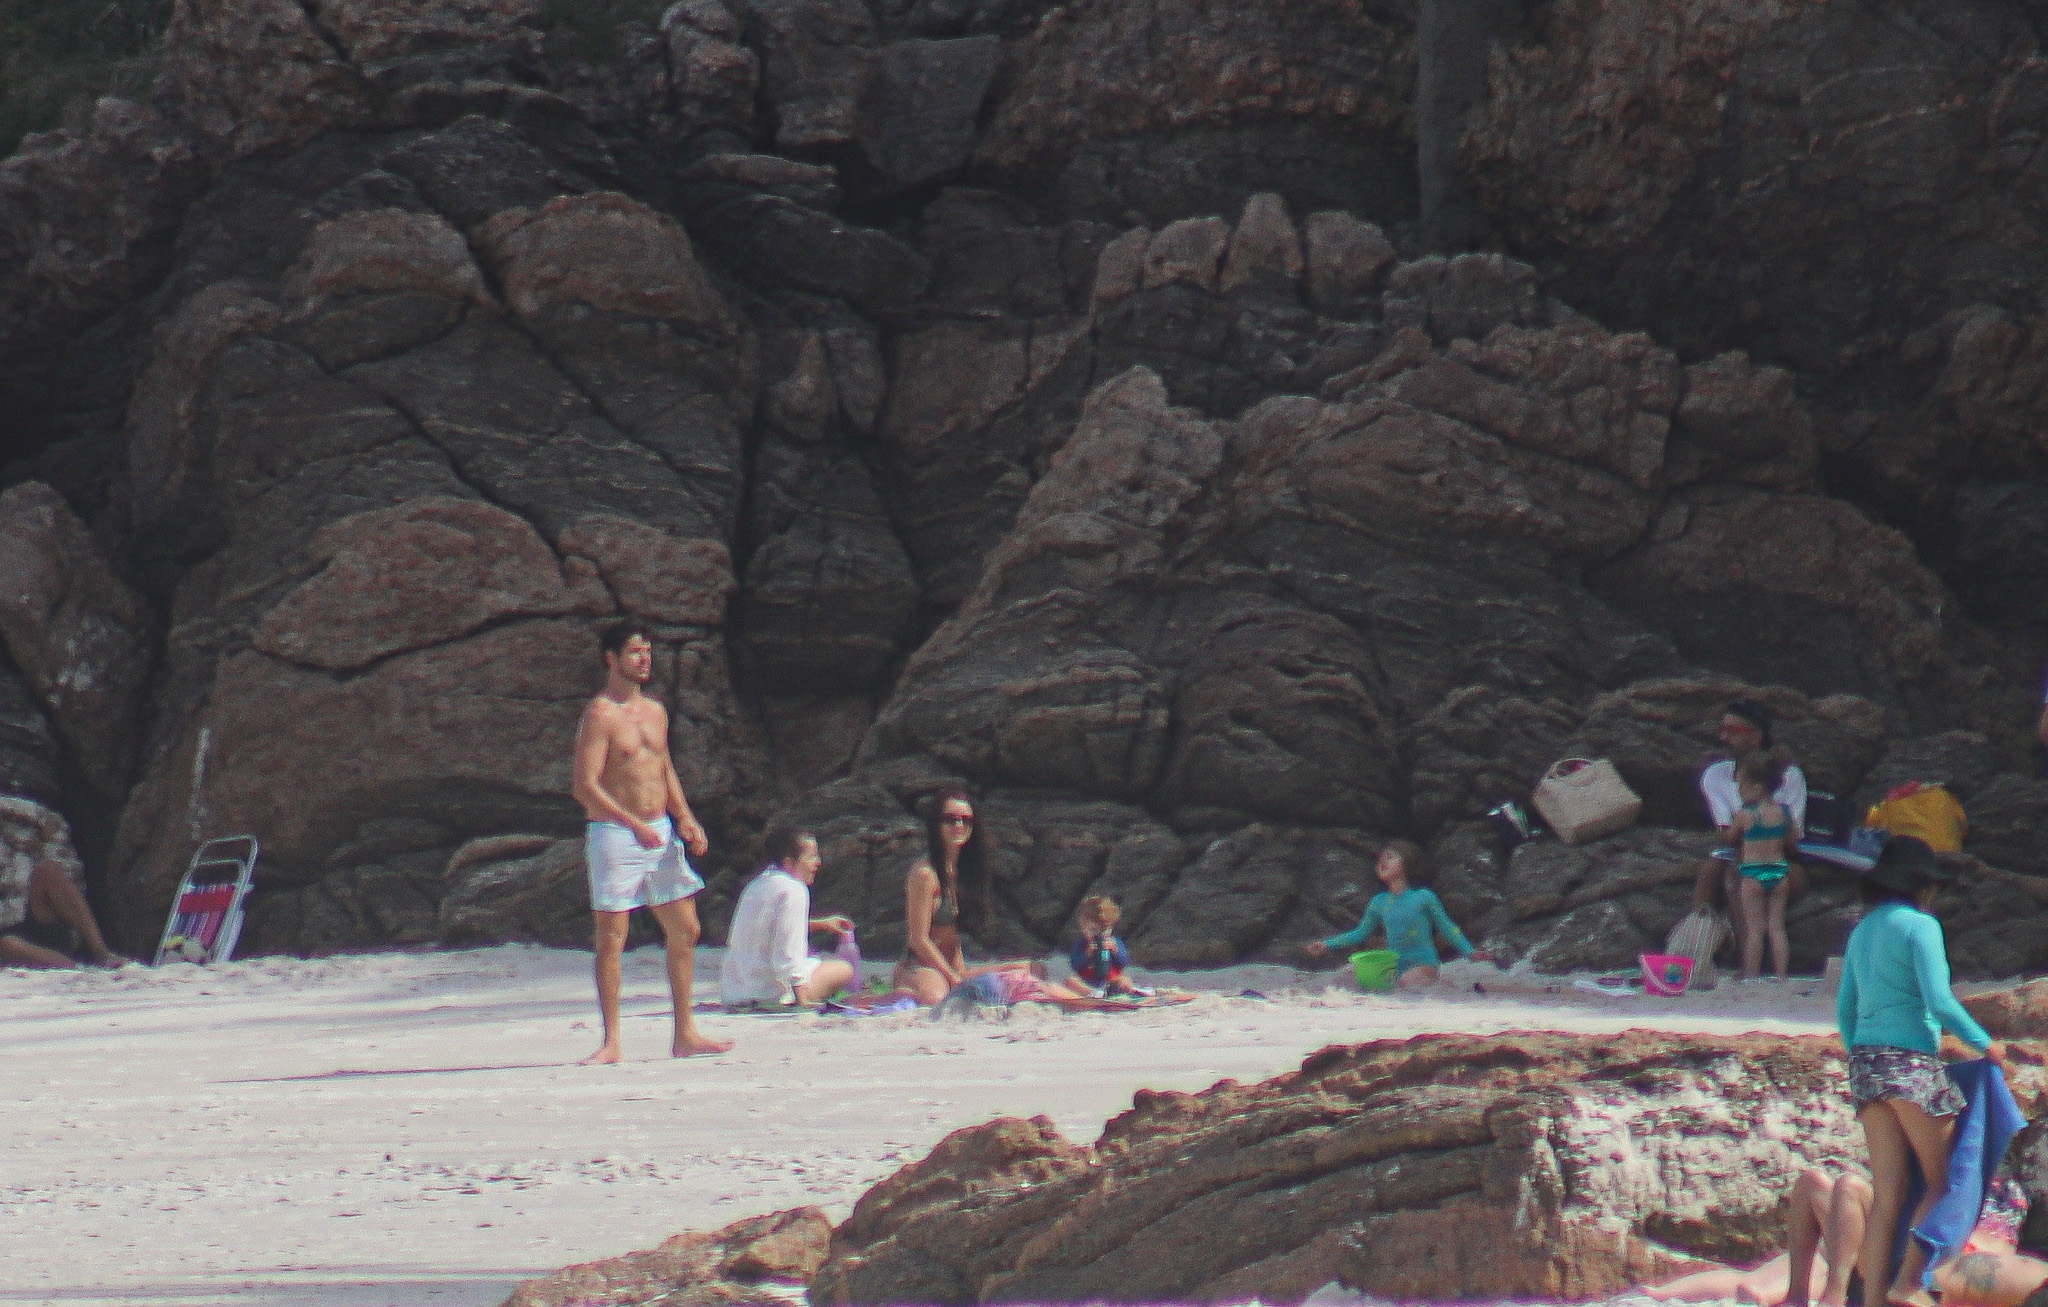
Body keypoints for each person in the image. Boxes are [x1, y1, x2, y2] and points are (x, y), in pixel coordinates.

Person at [1838, 835, 2007, 1307]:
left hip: (1866, 1067)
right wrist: (1984, 1044)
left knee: (1889, 1193)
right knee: (1943, 1180)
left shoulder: (1862, 930)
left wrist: (1863, 1059)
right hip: (1911, 1063)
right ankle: (1909, 1283)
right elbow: (1940, 1001)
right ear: (1921, 886)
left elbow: (1845, 1010)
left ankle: (1870, 1301)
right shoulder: (1921, 927)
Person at [571, 621, 731, 1064]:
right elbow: (585, 785)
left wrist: (685, 817)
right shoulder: (600, 714)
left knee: (686, 928)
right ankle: (612, 1041)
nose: (644, 660)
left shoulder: (656, 712)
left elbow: (664, 768)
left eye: (647, 652)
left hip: (659, 829)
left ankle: (685, 1033)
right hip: (615, 833)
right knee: (612, 937)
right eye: (635, 653)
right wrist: (631, 824)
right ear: (611, 659)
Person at [1694, 699, 1809, 959]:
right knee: (1711, 871)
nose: (1724, 737)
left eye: (1733, 732)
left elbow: (1792, 839)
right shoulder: (1716, 776)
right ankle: (1695, 945)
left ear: (1756, 736)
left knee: (1738, 876)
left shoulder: (1790, 777)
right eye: (1721, 730)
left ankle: (1749, 959)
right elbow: (1726, 833)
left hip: (1780, 862)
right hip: (1738, 854)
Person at [1302, 839, 1491, 989]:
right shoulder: (1379, 902)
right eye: (1380, 859)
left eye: (1390, 857)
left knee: (1404, 986)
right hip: (1393, 965)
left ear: (1407, 863)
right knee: (1347, 977)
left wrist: (1470, 952)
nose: (1383, 862)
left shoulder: (1424, 897)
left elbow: (1447, 927)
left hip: (1424, 964)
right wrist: (1327, 945)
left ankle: (1446, 987)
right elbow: (1360, 933)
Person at [720, 827, 856, 1011]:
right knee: (843, 968)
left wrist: (823, 924)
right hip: (769, 994)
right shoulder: (795, 890)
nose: (818, 863)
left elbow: (769, 929)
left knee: (819, 960)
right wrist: (802, 1000)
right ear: (790, 863)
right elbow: (787, 954)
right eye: (811, 857)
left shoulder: (757, 884)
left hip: (736, 991)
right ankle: (798, 995)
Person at [892, 789, 992, 1006]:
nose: (959, 826)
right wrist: (953, 978)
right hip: (920, 967)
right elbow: (918, 939)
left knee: (1032, 969)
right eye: (950, 819)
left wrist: (960, 973)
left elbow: (953, 937)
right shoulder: (925, 874)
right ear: (936, 825)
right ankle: (874, 999)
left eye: (966, 820)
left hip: (951, 967)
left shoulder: (963, 873)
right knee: (936, 998)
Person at [1732, 747, 1800, 984]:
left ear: (1756, 787)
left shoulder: (1745, 814)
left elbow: (1731, 837)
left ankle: (1752, 975)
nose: (1739, 792)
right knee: (1777, 928)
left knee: (1755, 930)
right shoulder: (1784, 812)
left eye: (1741, 786)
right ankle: (1781, 975)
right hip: (1779, 872)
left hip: (1752, 874)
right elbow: (1794, 840)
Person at [0, 856, 124, 969]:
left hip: (27, 913)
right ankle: (77, 969)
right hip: (7, 938)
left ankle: (103, 953)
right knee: (9, 944)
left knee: (47, 870)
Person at [1066, 895, 1140, 998]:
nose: (1099, 935)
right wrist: (1087, 955)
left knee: (1125, 980)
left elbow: (1125, 961)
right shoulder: (1082, 944)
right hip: (1089, 979)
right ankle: (1093, 993)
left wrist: (1115, 950)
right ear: (1083, 927)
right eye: (1093, 930)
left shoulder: (1114, 942)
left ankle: (1120, 992)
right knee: (1071, 981)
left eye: (1104, 930)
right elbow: (1075, 964)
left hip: (1110, 978)